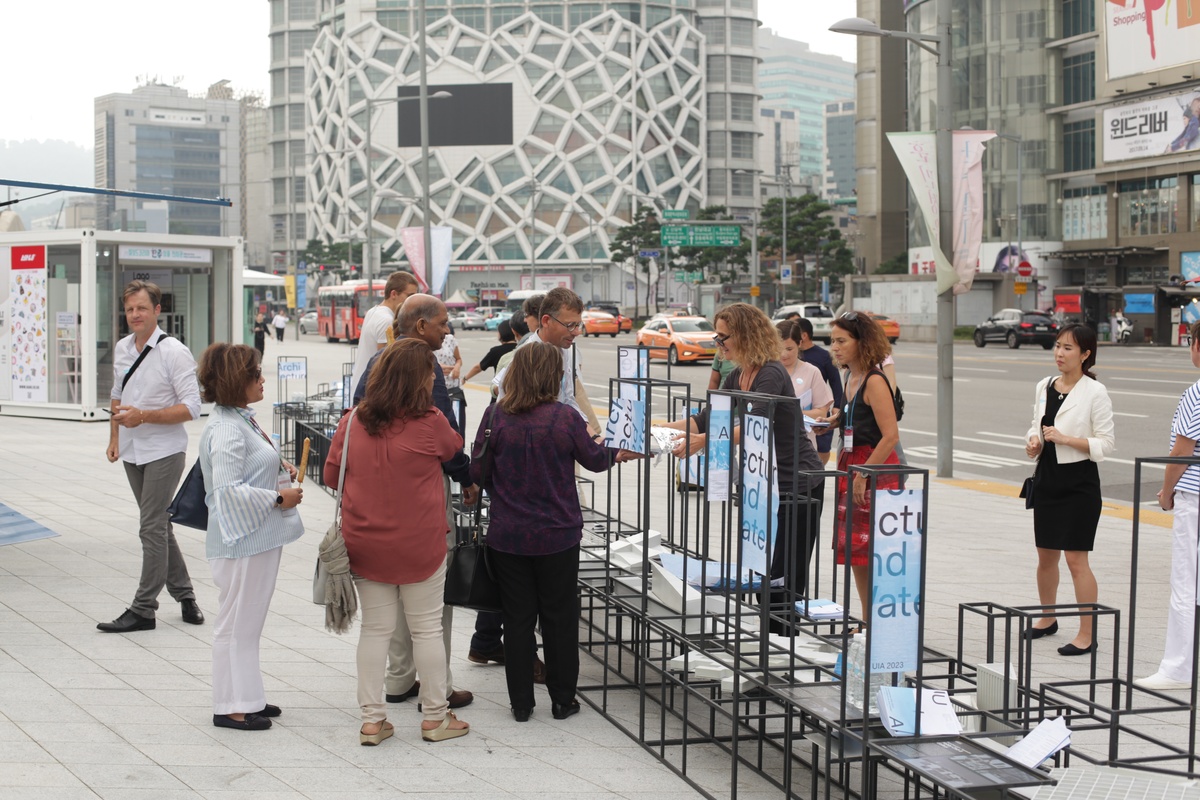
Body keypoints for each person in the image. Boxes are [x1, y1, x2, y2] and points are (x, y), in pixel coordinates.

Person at [471, 343, 639, 721]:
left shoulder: (495, 415)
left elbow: (476, 471)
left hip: (508, 535)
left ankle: (520, 703)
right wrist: (618, 452)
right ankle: (563, 699)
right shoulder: (564, 417)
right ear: (553, 376)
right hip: (558, 535)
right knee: (559, 618)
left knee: (516, 619)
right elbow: (595, 460)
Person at [325, 339, 470, 744]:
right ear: (419, 379)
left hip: (365, 542)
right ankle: (436, 718)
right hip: (420, 544)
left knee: (375, 630)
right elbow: (454, 452)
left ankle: (372, 721)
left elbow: (331, 475)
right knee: (425, 630)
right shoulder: (430, 421)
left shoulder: (352, 421)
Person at [353, 295, 479, 710]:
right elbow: (446, 443)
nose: (448, 331)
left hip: (373, 500)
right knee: (430, 604)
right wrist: (467, 479)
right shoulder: (425, 369)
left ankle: (397, 678)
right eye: (443, 323)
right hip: (421, 498)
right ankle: (436, 691)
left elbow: (353, 421)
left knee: (383, 610)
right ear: (421, 326)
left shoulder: (376, 363)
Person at [666, 303, 825, 609]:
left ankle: (784, 643)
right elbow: (708, 417)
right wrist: (657, 430)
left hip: (798, 483)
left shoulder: (771, 372)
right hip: (764, 486)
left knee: (784, 579)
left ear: (745, 335)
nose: (718, 343)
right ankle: (771, 643)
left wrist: (703, 441)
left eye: (723, 337)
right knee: (760, 574)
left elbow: (758, 426)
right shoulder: (739, 374)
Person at [197, 343, 305, 731]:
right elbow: (226, 491)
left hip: (253, 538)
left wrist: (278, 467)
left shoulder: (237, 418)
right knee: (236, 622)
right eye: (255, 374)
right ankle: (229, 705)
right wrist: (278, 497)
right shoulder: (227, 428)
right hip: (240, 541)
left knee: (246, 623)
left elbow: (247, 468)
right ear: (234, 381)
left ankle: (247, 697)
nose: (262, 380)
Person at [100, 280, 204, 633]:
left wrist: (143, 416)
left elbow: (193, 406)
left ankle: (144, 608)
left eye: (142, 308)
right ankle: (186, 594)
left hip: (164, 451)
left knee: (150, 526)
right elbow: (117, 394)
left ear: (157, 310)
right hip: (131, 450)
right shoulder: (123, 347)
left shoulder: (174, 351)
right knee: (159, 525)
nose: (135, 315)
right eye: (129, 309)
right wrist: (114, 436)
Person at [1022, 323, 1114, 657]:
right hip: (1048, 479)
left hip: (1079, 484)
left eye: (1068, 348)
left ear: (1086, 354)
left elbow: (1106, 443)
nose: (1059, 353)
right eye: (1058, 346)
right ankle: (1048, 618)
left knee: (1077, 560)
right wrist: (1034, 442)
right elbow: (1037, 425)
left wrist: (1066, 439)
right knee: (1046, 556)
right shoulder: (1044, 386)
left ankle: (1087, 634)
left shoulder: (1094, 392)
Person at [827, 311, 902, 626]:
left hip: (874, 466)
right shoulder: (850, 377)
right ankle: (869, 617)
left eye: (842, 341)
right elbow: (854, 421)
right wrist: (832, 420)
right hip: (852, 463)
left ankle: (884, 618)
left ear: (862, 342)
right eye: (832, 341)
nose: (835, 347)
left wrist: (863, 475)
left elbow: (890, 436)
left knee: (876, 550)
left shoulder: (874, 379)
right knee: (856, 552)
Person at [1138, 320, 1200, 691]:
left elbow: (1182, 451)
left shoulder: (1196, 393)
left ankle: (1177, 668)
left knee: (1185, 580)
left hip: (1195, 495)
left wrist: (1165, 492)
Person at [349, 271, 420, 398]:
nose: (412, 301)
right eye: (409, 295)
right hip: (372, 394)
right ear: (393, 293)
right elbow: (384, 364)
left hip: (362, 388)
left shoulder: (374, 311)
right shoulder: (386, 320)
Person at [777, 320, 834, 452]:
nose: (784, 354)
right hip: (772, 447)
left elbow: (821, 412)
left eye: (789, 349)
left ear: (800, 343)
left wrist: (791, 413)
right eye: (779, 348)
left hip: (802, 447)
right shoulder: (767, 371)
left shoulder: (812, 372)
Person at [797, 317, 844, 465]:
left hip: (820, 407)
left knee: (823, 447)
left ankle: (819, 470)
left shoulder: (823, 355)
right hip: (801, 409)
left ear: (804, 335)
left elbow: (835, 381)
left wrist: (837, 405)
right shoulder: (791, 356)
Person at [462, 320, 517, 384]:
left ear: (502, 333)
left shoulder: (495, 351)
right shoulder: (521, 348)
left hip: (499, 387)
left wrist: (465, 378)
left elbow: (478, 367)